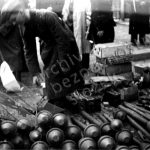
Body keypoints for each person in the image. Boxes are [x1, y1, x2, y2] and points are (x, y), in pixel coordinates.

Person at [1, 0, 84, 107]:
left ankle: (68, 102)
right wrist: (35, 73)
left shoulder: (48, 16)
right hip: (50, 47)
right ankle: (58, 101)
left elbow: (64, 41)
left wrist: (64, 64)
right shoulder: (23, 27)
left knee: (66, 75)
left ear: (21, 12)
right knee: (51, 77)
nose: (13, 23)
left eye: (13, 20)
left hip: (66, 46)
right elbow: (29, 51)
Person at [62, 0, 91, 69]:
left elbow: (89, 12)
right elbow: (65, 10)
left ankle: (84, 66)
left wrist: (87, 21)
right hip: (70, 24)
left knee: (84, 45)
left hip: (81, 24)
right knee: (71, 45)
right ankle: (73, 65)